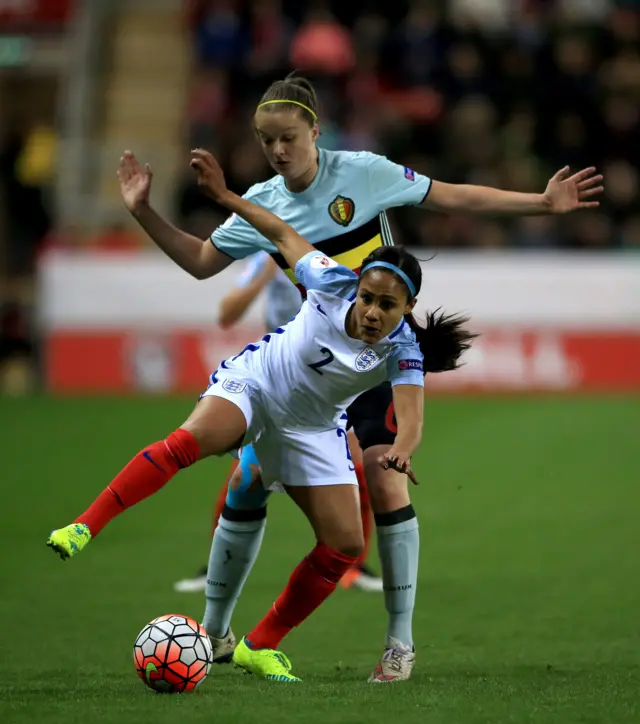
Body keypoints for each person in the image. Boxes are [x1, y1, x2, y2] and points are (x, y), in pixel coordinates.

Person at [96, 73, 601, 681]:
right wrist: (144, 211)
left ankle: (399, 644)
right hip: (311, 372)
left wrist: (541, 204)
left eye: (288, 137)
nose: (279, 151)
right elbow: (201, 262)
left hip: (375, 360)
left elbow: (451, 196)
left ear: (315, 129)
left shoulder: (363, 172)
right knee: (248, 479)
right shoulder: (266, 200)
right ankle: (218, 633)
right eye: (266, 142)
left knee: (386, 484)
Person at [46, 149, 474, 683]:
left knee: (344, 544)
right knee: (191, 441)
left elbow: (410, 418)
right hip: (257, 385)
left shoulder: (404, 349)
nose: (370, 312)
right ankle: (84, 527)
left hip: (312, 427)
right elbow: (278, 228)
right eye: (367, 297)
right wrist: (226, 197)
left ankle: (258, 644)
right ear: (357, 285)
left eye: (386, 306)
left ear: (406, 309)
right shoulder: (327, 278)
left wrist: (401, 451)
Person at [173, 250, 384, 595]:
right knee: (246, 474)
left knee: (356, 459)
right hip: (282, 378)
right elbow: (227, 313)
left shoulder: (346, 254)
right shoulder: (271, 254)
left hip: (337, 376)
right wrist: (267, 270)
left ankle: (352, 566)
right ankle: (216, 566)